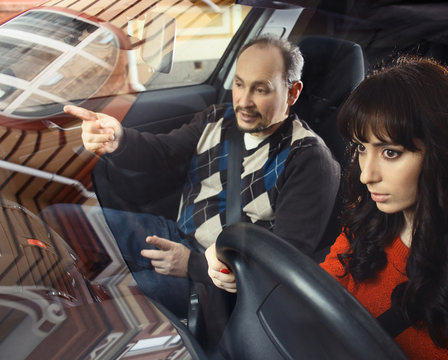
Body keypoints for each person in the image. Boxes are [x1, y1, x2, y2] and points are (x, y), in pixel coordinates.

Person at [208, 56, 448, 358]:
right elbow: (310, 300)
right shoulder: (368, 223)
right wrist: (238, 267)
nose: (367, 175)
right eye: (362, 148)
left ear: (443, 154)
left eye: (390, 152)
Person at [64, 35, 341, 319]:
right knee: (63, 221)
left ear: (293, 93)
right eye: (239, 84)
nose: (243, 101)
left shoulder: (309, 160)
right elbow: (163, 152)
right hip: (176, 235)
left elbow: (281, 265)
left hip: (218, 284)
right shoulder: (218, 120)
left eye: (261, 89)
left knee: (109, 303)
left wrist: (192, 265)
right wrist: (117, 138)